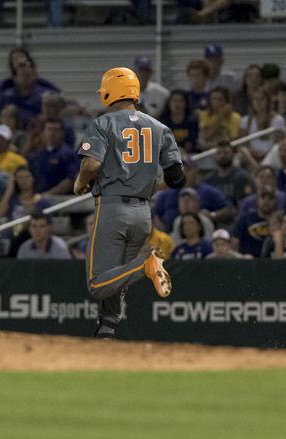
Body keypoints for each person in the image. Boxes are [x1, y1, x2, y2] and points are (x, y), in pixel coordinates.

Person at [75, 67, 185, 339]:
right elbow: (177, 178)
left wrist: (80, 182)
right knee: (115, 277)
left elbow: (91, 163)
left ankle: (146, 264)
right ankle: (107, 330)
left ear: (109, 92)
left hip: (112, 209)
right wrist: (144, 181)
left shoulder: (104, 123)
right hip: (143, 213)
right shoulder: (160, 127)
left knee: (97, 283)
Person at [0, 165, 51, 257]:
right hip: (10, 235)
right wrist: (9, 191)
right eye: (20, 178)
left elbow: (47, 224)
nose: (24, 181)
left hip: (29, 236)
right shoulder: (12, 200)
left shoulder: (42, 202)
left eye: (26, 177)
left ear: (33, 178)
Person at [27, 119, 78, 194]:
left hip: (60, 199)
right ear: (43, 132)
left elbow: (70, 180)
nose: (52, 133)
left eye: (56, 130)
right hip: (37, 197)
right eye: (49, 129)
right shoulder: (36, 155)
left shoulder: (68, 154)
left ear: (62, 133)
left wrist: (48, 195)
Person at [238, 88, 286, 165]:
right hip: (251, 155)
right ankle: (257, 167)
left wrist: (266, 153)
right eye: (255, 99)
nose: (258, 102)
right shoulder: (245, 120)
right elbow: (242, 143)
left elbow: (279, 142)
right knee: (243, 150)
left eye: (261, 99)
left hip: (270, 154)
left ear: (267, 101)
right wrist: (253, 152)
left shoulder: (277, 119)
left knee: (277, 149)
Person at [233, 184, 278, 258]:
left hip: (271, 262)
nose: (266, 201)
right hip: (247, 261)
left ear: (274, 201)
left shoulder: (279, 221)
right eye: (263, 197)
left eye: (270, 198)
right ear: (257, 200)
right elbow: (235, 242)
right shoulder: (245, 218)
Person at [203, 140, 254, 206]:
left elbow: (246, 203)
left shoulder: (242, 177)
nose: (222, 156)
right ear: (214, 156)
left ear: (233, 154)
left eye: (226, 153)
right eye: (219, 153)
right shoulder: (208, 179)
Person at [159, 89, 199, 153]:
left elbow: (190, 145)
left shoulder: (192, 122)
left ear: (186, 104)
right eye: (174, 101)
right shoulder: (162, 122)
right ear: (169, 103)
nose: (177, 104)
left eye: (181, 101)